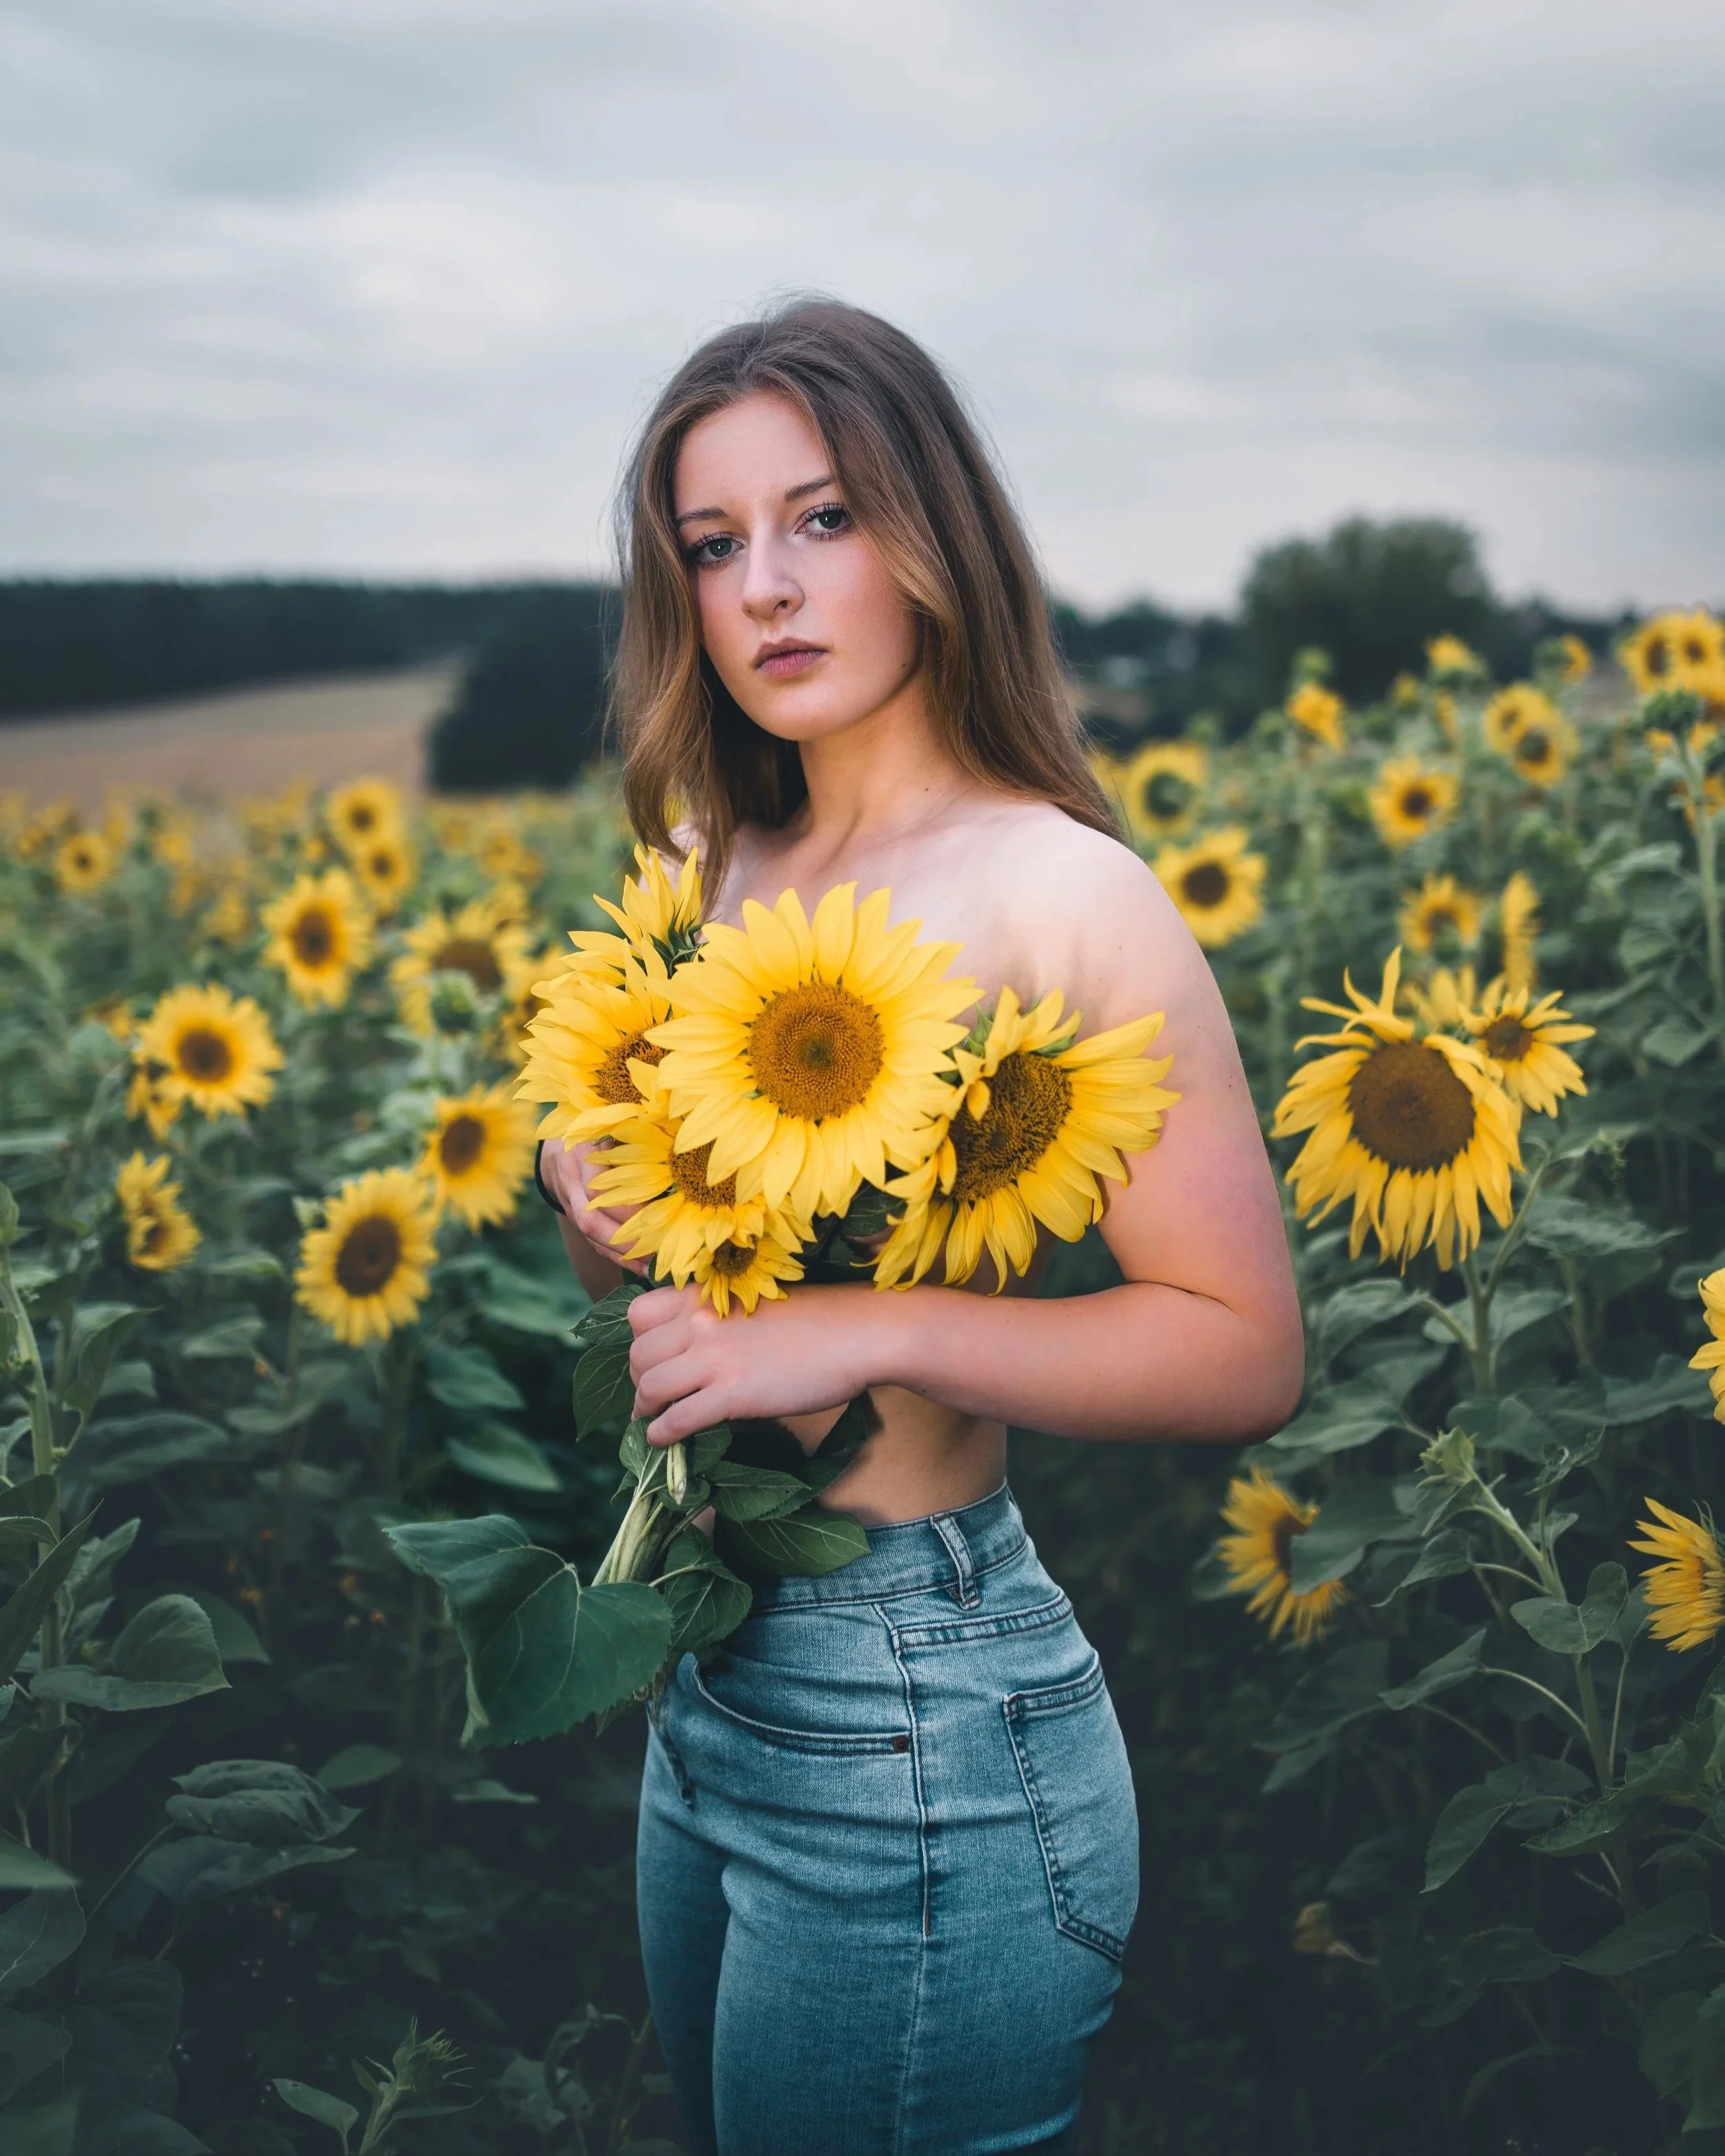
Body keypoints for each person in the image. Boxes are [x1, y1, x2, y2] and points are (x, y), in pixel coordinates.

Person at [536, 299, 1303, 2156]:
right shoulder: (709, 866)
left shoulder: (1061, 888)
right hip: (712, 1681)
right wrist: (603, 1210)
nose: (764, 589)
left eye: (822, 519)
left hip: (918, 1710)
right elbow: (680, 1292)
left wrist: (864, 1324)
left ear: (930, 534)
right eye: (712, 546)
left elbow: (1239, 1343)